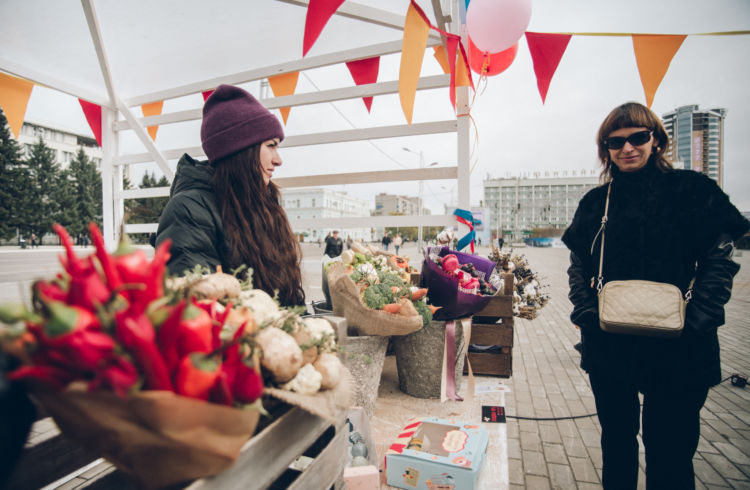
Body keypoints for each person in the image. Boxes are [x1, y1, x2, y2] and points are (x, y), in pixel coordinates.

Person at [562, 102, 749, 490]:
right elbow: (578, 263)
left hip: (680, 348)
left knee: (671, 454)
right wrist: (586, 313)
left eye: (638, 137)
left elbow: (720, 258)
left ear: (656, 140)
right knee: (617, 446)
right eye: (615, 142)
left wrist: (700, 317)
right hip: (610, 345)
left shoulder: (692, 190)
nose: (627, 148)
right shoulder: (597, 203)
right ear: (605, 149)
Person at [155, 84, 305, 307]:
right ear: (242, 151)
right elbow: (199, 305)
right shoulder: (187, 211)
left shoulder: (263, 202)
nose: (278, 159)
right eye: (271, 146)